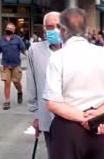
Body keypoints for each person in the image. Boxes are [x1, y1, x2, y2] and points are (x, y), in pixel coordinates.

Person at [43, 8, 104, 159]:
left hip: (68, 128)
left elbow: (53, 103)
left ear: (62, 30)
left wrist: (84, 118)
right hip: (101, 126)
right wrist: (97, 114)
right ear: (86, 29)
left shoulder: (58, 58)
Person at [26, 12, 61, 157]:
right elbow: (31, 83)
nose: (55, 30)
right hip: (47, 115)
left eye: (58, 26)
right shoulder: (35, 50)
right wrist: (36, 114)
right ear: (44, 29)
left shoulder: (73, 50)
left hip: (74, 116)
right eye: (50, 27)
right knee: (53, 154)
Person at [0, 23, 27, 110]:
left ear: (14, 31)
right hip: (5, 65)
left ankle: (19, 91)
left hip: (16, 64)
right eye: (7, 28)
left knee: (16, 82)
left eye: (11, 28)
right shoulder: (1, 40)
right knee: (7, 83)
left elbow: (23, 49)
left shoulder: (17, 39)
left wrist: (29, 56)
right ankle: (7, 101)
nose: (8, 29)